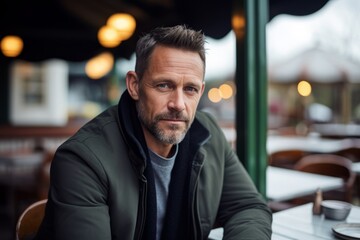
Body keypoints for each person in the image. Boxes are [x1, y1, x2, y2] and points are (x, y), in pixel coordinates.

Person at [35, 25, 272, 240]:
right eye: (164, 85)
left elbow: (248, 207)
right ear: (134, 86)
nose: (178, 103)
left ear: (200, 92)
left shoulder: (208, 134)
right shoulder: (82, 159)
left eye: (189, 89)